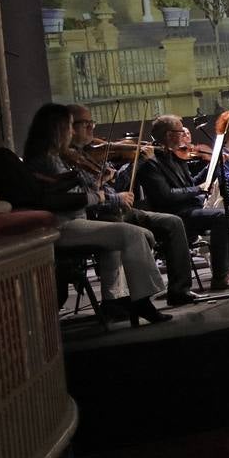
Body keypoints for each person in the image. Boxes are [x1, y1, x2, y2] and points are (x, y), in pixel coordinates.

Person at [21, 103, 171, 323]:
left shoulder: (54, 157)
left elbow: (72, 191)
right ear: (57, 129)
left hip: (75, 221)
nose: (72, 132)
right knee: (133, 234)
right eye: (70, 127)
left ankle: (116, 301)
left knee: (118, 239)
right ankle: (141, 302)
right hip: (62, 226)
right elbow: (62, 198)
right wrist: (97, 196)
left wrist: (95, 186)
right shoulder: (45, 160)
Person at [68, 104, 199, 306]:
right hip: (100, 215)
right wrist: (136, 164)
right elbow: (107, 190)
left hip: (121, 208)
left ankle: (179, 290)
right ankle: (137, 301)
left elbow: (115, 183)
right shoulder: (68, 158)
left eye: (91, 123)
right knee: (135, 233)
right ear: (69, 127)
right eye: (87, 124)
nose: (92, 129)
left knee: (173, 222)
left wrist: (108, 182)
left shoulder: (85, 154)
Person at [139, 115, 229, 293]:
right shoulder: (151, 163)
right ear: (170, 135)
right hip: (176, 215)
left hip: (191, 210)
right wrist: (198, 189)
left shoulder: (176, 156)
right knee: (223, 216)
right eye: (181, 131)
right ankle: (221, 276)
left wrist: (211, 167)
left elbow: (190, 184)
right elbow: (166, 196)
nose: (184, 136)